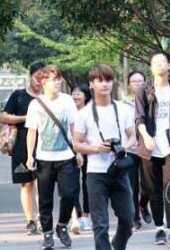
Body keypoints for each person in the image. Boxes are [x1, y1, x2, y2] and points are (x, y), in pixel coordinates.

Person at [73, 63, 136, 250]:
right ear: (91, 84)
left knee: (128, 218)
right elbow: (77, 144)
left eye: (108, 80)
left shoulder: (123, 109)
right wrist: (96, 149)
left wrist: (123, 147)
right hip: (96, 174)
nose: (104, 84)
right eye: (99, 80)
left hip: (119, 171)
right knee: (100, 224)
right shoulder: (84, 113)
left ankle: (118, 244)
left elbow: (133, 136)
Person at [26, 65, 83, 250]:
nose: (58, 82)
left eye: (59, 79)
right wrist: (30, 155)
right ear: (43, 82)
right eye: (53, 80)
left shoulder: (67, 101)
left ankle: (62, 226)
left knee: (69, 194)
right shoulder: (35, 104)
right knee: (45, 199)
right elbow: (32, 132)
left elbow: (74, 127)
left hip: (66, 156)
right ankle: (48, 234)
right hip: (44, 158)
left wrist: (78, 151)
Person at [135, 50, 170, 247]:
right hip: (149, 145)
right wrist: (146, 136)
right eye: (155, 62)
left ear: (169, 65)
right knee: (153, 189)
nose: (158, 65)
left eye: (162, 62)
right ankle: (159, 228)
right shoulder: (144, 89)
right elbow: (139, 117)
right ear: (151, 67)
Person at [1, 62, 45, 235]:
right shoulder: (18, 96)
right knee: (26, 183)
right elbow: (4, 116)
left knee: (42, 184)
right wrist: (27, 118)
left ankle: (42, 218)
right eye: (37, 77)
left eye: (43, 78)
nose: (39, 81)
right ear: (30, 76)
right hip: (21, 146)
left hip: (44, 146)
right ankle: (30, 221)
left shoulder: (48, 98)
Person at [123, 70, 152, 231]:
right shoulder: (123, 104)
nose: (137, 84)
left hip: (147, 148)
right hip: (130, 150)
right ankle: (135, 219)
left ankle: (143, 204)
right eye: (134, 81)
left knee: (149, 184)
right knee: (132, 186)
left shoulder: (151, 101)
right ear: (129, 85)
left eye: (140, 81)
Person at [70, 83, 93, 234]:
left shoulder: (91, 111)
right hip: (70, 151)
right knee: (72, 185)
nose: (75, 96)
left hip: (89, 150)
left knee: (87, 184)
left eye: (79, 93)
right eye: (74, 93)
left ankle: (86, 215)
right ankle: (75, 215)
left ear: (86, 96)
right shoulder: (68, 110)